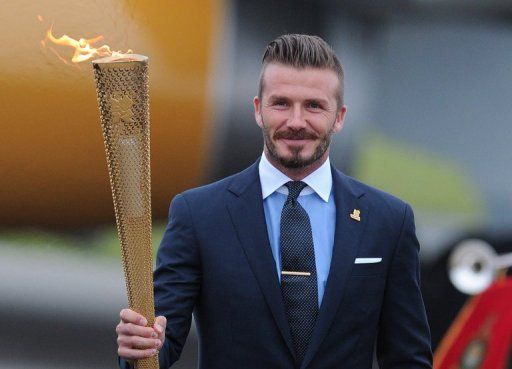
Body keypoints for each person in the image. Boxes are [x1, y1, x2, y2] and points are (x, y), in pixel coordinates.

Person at [117, 34, 433, 369]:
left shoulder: (388, 221)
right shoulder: (198, 215)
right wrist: (140, 347)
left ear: (339, 117)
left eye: (313, 105)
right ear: (258, 110)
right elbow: (158, 347)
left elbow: (408, 358)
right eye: (281, 103)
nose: (296, 122)